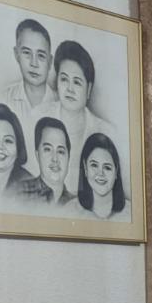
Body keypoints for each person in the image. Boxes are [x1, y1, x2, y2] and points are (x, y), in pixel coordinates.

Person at [51, 40, 115, 196]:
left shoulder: (107, 133)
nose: (70, 89)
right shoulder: (37, 117)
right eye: (64, 79)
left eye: (77, 82)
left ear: (89, 89)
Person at [0, 18, 57, 138]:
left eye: (41, 55)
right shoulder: (2, 99)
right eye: (27, 53)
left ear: (50, 61)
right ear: (17, 54)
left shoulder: (60, 104)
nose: (34, 63)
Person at [15, 116, 76, 209]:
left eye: (60, 151)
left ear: (68, 158)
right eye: (47, 149)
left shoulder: (77, 205)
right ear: (37, 155)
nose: (55, 159)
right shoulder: (17, 193)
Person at [76, 133, 126, 220]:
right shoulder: (69, 211)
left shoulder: (130, 214)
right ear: (85, 167)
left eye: (107, 167)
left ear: (116, 170)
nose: (100, 173)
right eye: (94, 165)